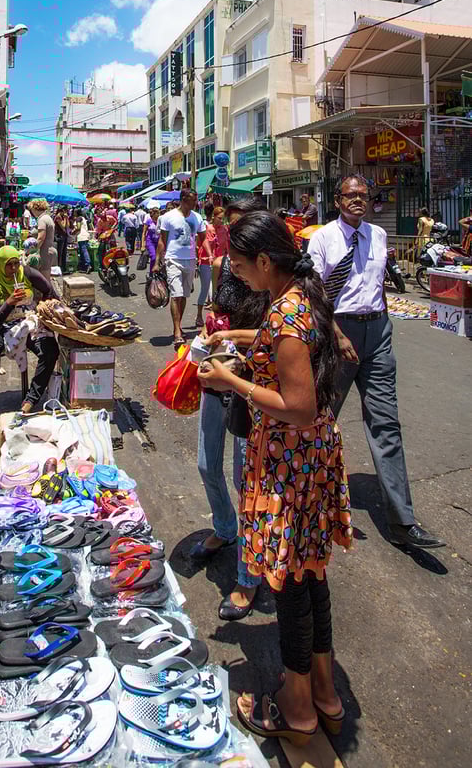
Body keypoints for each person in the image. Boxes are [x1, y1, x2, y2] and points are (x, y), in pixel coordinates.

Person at [197, 210, 352, 744]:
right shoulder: (297, 298)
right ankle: (325, 694)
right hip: (312, 460)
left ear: (265, 260)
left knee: (287, 582)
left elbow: (298, 405)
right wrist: (236, 338)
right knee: (310, 576)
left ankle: (297, 707)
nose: (236, 275)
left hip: (291, 462)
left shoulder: (287, 316)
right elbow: (275, 340)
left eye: (240, 266)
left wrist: (228, 379)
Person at [307, 174, 444, 550]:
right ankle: (309, 497)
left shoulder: (378, 236)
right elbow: (315, 294)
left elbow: (376, 284)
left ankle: (402, 520)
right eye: (350, 195)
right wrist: (336, 335)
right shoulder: (323, 238)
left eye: (363, 196)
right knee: (323, 418)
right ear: (338, 200)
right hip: (339, 331)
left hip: (377, 332)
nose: (357, 201)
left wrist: (381, 327)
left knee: (386, 422)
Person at [192, 200, 269, 621]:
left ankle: (249, 573)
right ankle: (225, 530)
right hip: (218, 368)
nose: (231, 242)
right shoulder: (227, 264)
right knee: (207, 464)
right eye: (229, 230)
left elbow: (279, 332)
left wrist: (237, 350)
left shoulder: (271, 276)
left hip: (249, 382)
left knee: (247, 482)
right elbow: (219, 307)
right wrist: (212, 323)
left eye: (240, 232)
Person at [0, 247, 59, 428]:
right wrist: (9, 302)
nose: (13, 269)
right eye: (9, 265)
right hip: (0, 328)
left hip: (25, 323)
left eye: (16, 263)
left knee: (50, 349)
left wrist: (42, 308)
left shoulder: (25, 273)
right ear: (0, 265)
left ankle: (31, 399)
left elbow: (48, 289)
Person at [156, 188, 210, 348]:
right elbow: (162, 240)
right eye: (193, 200)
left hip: (190, 260)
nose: (196, 203)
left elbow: (203, 239)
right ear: (184, 199)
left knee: (184, 295)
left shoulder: (197, 217)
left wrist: (210, 254)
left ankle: (178, 326)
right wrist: (157, 261)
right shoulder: (168, 217)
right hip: (173, 259)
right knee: (176, 294)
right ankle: (177, 331)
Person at [195, 203, 228, 328]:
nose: (221, 220)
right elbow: (203, 243)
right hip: (206, 262)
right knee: (205, 289)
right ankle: (199, 315)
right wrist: (208, 256)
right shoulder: (207, 228)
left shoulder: (225, 230)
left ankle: (217, 316)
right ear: (214, 217)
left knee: (220, 289)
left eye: (223, 218)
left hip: (220, 262)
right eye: (219, 218)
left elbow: (227, 246)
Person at [28, 199, 56, 281]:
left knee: (44, 279)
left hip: (45, 252)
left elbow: (41, 238)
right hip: (49, 250)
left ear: (35, 208)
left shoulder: (42, 219)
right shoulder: (47, 217)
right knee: (46, 277)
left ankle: (49, 294)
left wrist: (31, 251)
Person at [141, 206, 161, 271]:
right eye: (156, 212)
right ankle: (151, 273)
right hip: (150, 242)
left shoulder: (161, 221)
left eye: (158, 212)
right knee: (153, 257)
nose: (158, 214)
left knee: (160, 259)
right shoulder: (148, 221)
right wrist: (143, 245)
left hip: (159, 242)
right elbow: (144, 233)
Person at [54, 207, 69, 272]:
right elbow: (62, 226)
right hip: (60, 236)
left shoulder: (63, 217)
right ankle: (59, 267)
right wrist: (65, 218)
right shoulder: (58, 217)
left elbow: (67, 226)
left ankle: (64, 267)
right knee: (60, 252)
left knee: (64, 252)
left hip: (64, 235)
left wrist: (66, 218)